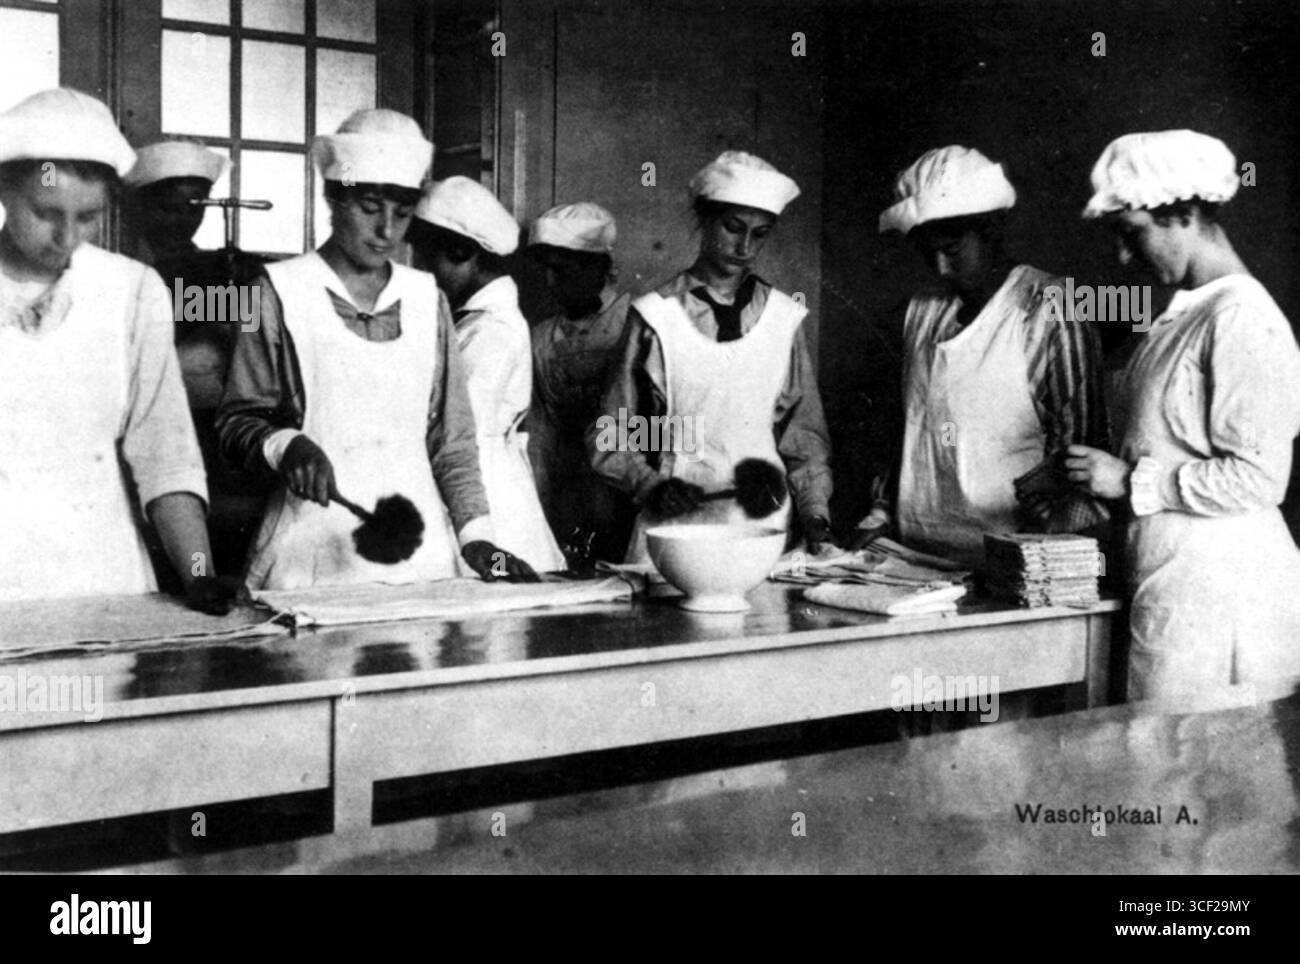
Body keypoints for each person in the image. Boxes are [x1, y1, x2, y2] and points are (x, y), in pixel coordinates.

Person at [216, 109, 535, 589]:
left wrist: (478, 537)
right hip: (310, 549)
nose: (387, 230)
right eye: (369, 206)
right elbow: (235, 422)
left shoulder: (429, 300)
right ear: (333, 197)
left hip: (418, 546)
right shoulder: (273, 291)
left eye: (403, 213)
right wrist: (287, 445)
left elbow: (452, 442)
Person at [1068, 129, 1300, 703]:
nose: (1124, 256)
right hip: (1176, 581)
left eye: (1132, 234)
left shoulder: (1244, 319)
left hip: (1225, 592)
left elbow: (1260, 476)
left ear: (1184, 213)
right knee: (1169, 765)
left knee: (1201, 769)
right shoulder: (1185, 315)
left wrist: (1128, 481)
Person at [0, 88, 239, 613]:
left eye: (87, 217)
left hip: (103, 578)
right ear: (4, 190)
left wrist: (198, 573)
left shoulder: (130, 290)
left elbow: (166, 455)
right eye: (45, 212)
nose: (66, 237)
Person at [856, 145, 1108, 567]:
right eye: (926, 252)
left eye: (952, 249)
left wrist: (1052, 567)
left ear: (991, 231)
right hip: (916, 558)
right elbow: (906, 427)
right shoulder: (921, 312)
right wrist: (879, 513)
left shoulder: (1051, 308)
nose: (939, 268)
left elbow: (1080, 464)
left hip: (1013, 564)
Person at [591, 150, 835, 562]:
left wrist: (816, 515)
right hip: (673, 529)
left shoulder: (782, 317)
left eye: (760, 234)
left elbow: (804, 438)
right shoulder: (655, 315)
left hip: (762, 528)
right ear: (704, 219)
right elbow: (610, 435)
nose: (744, 246)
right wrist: (650, 485)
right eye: (733, 227)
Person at [123, 140, 269, 582]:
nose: (184, 219)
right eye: (170, 207)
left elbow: (244, 350)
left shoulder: (224, 270)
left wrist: (237, 294)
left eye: (195, 206)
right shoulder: (121, 274)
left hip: (218, 437)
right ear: (144, 207)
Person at [408, 176, 567, 573]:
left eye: (431, 259)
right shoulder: (472, 321)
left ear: (463, 252)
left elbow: (462, 431)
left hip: (485, 491)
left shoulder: (491, 331)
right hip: (478, 477)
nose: (424, 270)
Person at [526, 201, 637, 566]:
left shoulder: (637, 324)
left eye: (562, 270)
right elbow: (540, 437)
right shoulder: (542, 338)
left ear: (598, 267)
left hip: (632, 491)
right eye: (544, 270)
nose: (549, 282)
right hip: (569, 496)